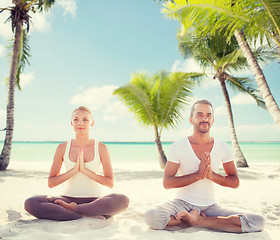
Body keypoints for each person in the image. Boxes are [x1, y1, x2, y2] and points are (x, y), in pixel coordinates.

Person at [144, 99, 265, 233]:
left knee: (258, 220)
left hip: (210, 207)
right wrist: (197, 176)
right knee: (152, 216)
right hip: (182, 204)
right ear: (191, 119)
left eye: (208, 115)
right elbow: (167, 183)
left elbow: (234, 182)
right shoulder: (178, 146)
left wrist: (212, 176)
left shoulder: (222, 146)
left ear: (212, 120)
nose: (205, 118)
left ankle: (198, 221)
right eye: (200, 114)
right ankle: (193, 220)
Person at [25, 106, 129, 221]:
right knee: (31, 203)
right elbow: (51, 183)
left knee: (123, 200)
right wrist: (73, 171)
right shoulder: (62, 147)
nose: (80, 123)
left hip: (95, 201)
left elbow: (109, 183)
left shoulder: (101, 148)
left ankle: (76, 210)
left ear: (92, 123)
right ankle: (84, 214)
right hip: (67, 199)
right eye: (76, 119)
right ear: (71, 123)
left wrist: (86, 171)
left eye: (85, 120)